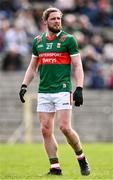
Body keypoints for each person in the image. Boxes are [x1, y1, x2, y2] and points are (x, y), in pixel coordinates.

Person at [19, 7, 90, 176]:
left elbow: (78, 65)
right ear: (45, 21)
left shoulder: (68, 39)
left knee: (64, 127)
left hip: (63, 89)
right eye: (53, 19)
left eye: (59, 18)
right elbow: (32, 67)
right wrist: (24, 85)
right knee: (45, 130)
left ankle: (81, 157)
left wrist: (79, 87)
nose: (57, 21)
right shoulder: (37, 41)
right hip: (44, 90)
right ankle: (55, 167)